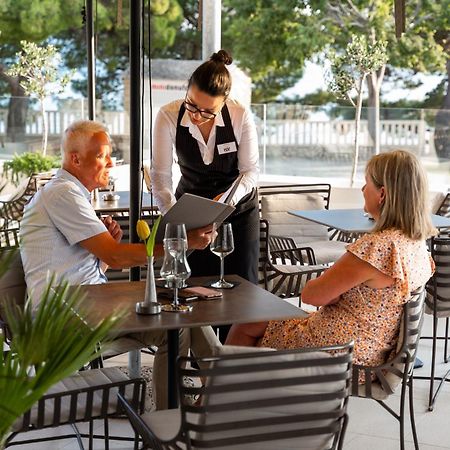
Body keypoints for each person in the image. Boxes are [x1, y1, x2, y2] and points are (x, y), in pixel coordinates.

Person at [19, 120, 214, 410]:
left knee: (184, 313)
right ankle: (170, 422)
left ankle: (215, 391)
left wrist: (101, 253)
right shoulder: (63, 194)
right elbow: (117, 258)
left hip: (86, 306)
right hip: (66, 316)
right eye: (102, 155)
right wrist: (180, 245)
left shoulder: (71, 195)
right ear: (75, 159)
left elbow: (92, 265)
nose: (111, 161)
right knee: (176, 324)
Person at [225, 150, 436, 373]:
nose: (363, 190)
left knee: (247, 327)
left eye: (366, 184)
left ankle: (212, 400)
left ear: (382, 194)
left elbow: (312, 295)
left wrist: (333, 290)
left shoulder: (377, 247)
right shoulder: (415, 243)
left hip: (342, 349)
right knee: (261, 329)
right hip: (372, 346)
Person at [151, 49, 260, 285]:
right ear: (187, 90)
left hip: (238, 212)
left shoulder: (239, 115)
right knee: (193, 285)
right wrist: (175, 219)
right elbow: (160, 175)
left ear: (224, 102)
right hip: (192, 214)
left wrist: (226, 201)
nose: (197, 116)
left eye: (208, 112)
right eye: (192, 105)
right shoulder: (167, 116)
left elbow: (249, 171)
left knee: (242, 288)